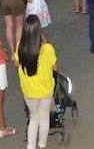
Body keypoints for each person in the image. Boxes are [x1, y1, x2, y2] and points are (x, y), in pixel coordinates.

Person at [17, 15, 58, 149]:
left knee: (34, 117)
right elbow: (55, 68)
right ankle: (42, 144)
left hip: (28, 91)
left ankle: (30, 145)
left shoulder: (19, 47)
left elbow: (16, 63)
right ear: (39, 32)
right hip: (45, 91)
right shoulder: (48, 49)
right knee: (44, 117)